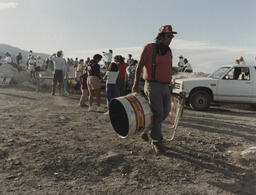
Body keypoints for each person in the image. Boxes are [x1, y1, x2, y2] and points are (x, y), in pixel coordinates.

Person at [132, 25, 177, 154]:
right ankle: (157, 141)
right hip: (153, 85)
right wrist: (135, 84)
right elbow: (139, 66)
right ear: (161, 37)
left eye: (172, 36)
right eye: (169, 36)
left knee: (165, 112)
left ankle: (146, 130)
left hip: (165, 86)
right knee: (157, 112)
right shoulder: (149, 48)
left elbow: (167, 69)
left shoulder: (168, 51)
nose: (171, 39)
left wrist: (169, 84)